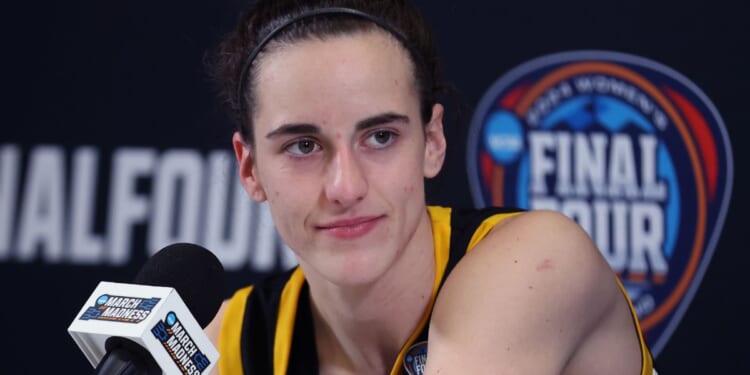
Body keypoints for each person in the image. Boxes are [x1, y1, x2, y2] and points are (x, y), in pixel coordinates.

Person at [205, 0, 655, 374]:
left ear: (433, 142)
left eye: (381, 137)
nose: (345, 186)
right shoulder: (233, 342)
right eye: (303, 146)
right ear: (251, 170)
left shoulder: (536, 263)